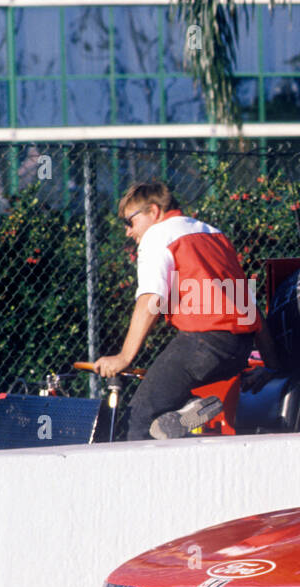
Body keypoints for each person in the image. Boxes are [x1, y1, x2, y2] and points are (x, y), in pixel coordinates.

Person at [96, 181, 269, 440]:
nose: (127, 233)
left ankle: (152, 471)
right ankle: (187, 409)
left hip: (202, 344)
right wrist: (274, 366)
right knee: (160, 419)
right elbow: (247, 305)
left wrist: (124, 357)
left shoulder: (158, 235)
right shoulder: (214, 234)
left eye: (129, 222)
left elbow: (151, 298)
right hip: (238, 349)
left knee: (136, 421)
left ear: (154, 211)